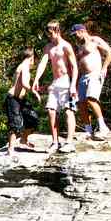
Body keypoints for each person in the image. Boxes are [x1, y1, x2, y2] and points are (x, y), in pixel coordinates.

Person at [32, 20, 78, 153]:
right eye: (48, 34)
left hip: (66, 81)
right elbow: (43, 63)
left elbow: (74, 67)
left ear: (57, 31)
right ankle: (55, 142)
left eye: (51, 33)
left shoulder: (66, 46)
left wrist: (73, 85)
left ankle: (69, 142)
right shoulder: (48, 47)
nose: (49, 36)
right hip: (55, 82)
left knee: (69, 110)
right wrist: (36, 80)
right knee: (51, 111)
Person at [70, 23, 111, 140]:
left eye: (75, 34)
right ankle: (88, 131)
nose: (75, 37)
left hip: (95, 74)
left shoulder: (95, 40)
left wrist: (104, 67)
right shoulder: (79, 46)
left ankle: (103, 127)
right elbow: (78, 66)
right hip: (83, 77)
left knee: (91, 99)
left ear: (81, 31)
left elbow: (110, 52)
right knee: (81, 103)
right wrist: (74, 82)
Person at [5, 48, 41, 157]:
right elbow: (25, 83)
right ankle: (10, 150)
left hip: (21, 100)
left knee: (32, 119)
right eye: (35, 60)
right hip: (13, 99)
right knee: (15, 124)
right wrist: (35, 92)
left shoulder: (23, 66)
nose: (34, 63)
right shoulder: (24, 66)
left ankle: (24, 140)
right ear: (32, 58)